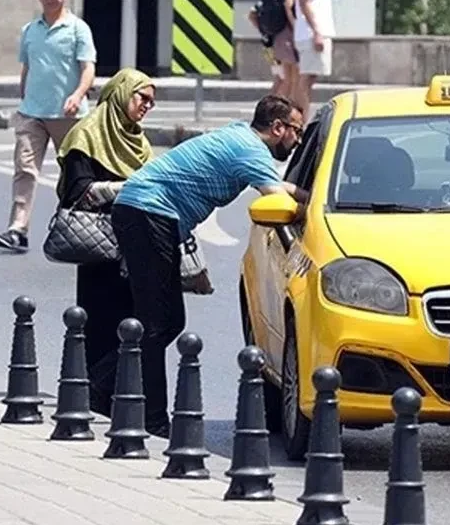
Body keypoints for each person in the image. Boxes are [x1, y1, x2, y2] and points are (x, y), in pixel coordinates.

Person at [104, 95, 309, 436]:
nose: (298, 140)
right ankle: (150, 418)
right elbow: (278, 198)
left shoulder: (242, 139)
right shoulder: (251, 151)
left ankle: (99, 386)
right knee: (157, 323)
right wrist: (316, 211)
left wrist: (310, 194)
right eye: (296, 131)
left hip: (147, 214)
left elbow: (283, 187)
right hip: (148, 213)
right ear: (277, 127)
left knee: (167, 322)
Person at [52, 68, 156, 415]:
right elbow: (77, 191)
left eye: (151, 102)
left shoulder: (138, 141)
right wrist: (124, 190)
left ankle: (116, 392)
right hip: (97, 246)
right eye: (142, 98)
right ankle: (93, 392)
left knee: (134, 320)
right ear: (122, 93)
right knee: (98, 320)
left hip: (133, 244)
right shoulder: (87, 134)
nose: (146, 107)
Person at [0, 0, 97, 253]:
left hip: (69, 116)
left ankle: (77, 226)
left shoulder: (78, 29)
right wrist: (23, 96)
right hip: (33, 114)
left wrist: (77, 94)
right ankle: (18, 229)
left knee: (75, 173)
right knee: (24, 169)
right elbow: (27, 67)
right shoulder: (30, 30)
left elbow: (88, 68)